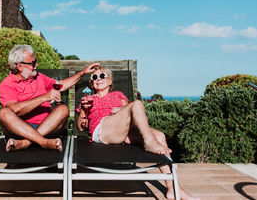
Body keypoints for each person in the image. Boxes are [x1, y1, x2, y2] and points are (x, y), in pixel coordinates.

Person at [76, 65, 199, 200]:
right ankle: (149, 143)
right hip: (102, 130)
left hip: (123, 130)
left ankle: (173, 188)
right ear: (92, 83)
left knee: (160, 136)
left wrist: (121, 109)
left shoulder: (118, 95)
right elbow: (81, 127)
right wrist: (83, 109)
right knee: (137, 104)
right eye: (95, 77)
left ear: (110, 81)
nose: (99, 79)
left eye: (102, 76)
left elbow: (130, 112)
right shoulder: (89, 99)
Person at [0, 44, 98, 152]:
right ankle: (44, 142)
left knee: (63, 109)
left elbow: (61, 85)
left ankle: (25, 143)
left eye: (35, 61)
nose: (36, 64)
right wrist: (44, 97)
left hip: (48, 127)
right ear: (20, 67)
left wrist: (83, 72)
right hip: (20, 130)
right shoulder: (7, 84)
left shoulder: (39, 77)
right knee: (4, 113)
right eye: (33, 63)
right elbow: (16, 110)